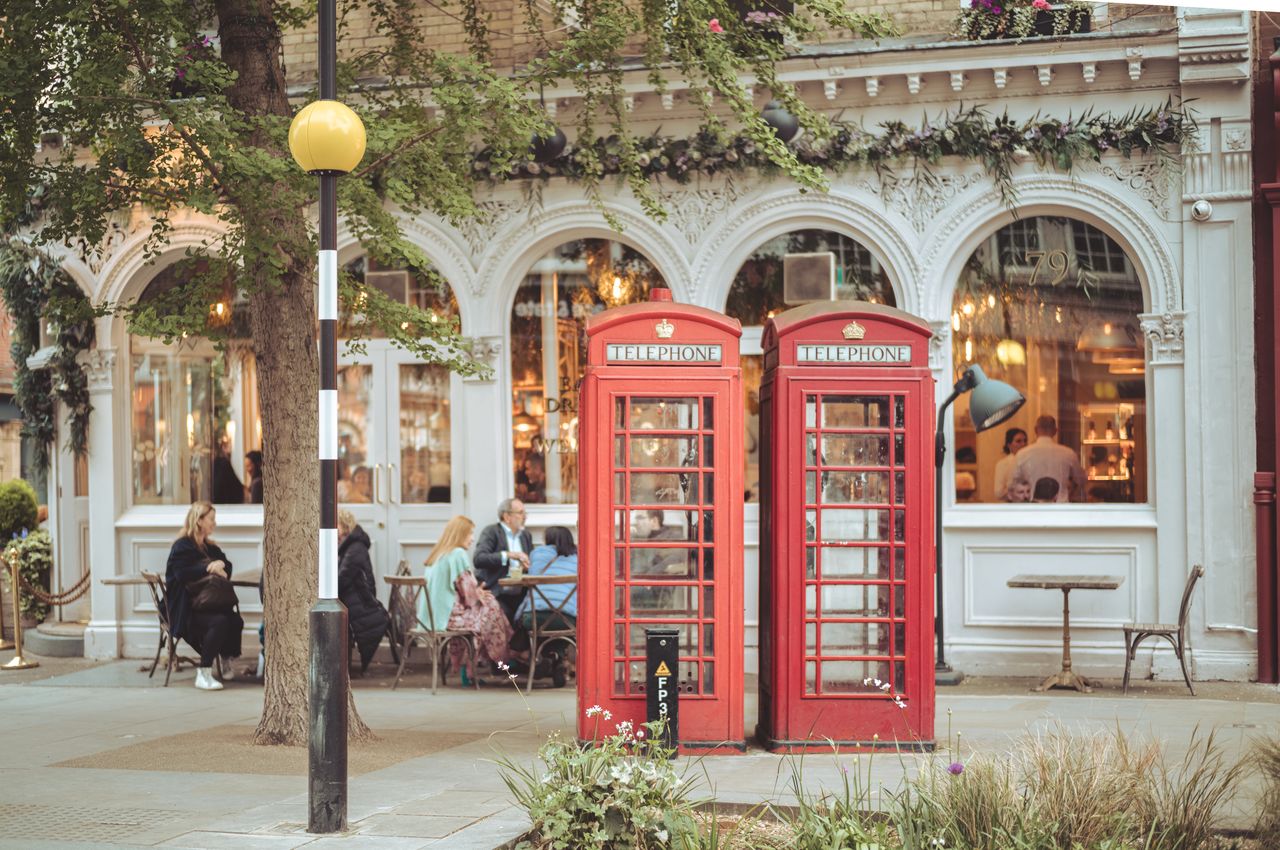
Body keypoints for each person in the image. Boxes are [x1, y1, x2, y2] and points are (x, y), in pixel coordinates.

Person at [165, 501, 244, 691]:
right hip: (185, 608)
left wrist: (221, 565)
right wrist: (208, 567)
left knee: (235, 621)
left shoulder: (210, 547)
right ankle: (204, 672)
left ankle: (225, 657)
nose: (214, 523)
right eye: (211, 519)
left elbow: (228, 565)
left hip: (206, 604)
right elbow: (181, 574)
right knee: (219, 622)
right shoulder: (182, 546)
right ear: (199, 521)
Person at [422, 515, 512, 678]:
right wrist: (479, 593)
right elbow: (470, 595)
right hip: (448, 617)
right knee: (490, 606)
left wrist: (477, 592)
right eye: (470, 534)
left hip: (431, 617)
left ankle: (475, 665)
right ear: (460, 534)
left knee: (487, 608)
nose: (472, 539)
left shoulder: (438, 554)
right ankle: (504, 656)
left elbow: (458, 589)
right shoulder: (457, 553)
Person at [511, 526, 578, 687]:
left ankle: (544, 658)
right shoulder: (578, 558)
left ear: (548, 539)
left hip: (535, 617)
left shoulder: (537, 554)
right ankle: (557, 657)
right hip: (567, 618)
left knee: (536, 625)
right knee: (565, 625)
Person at [337, 509, 389, 673]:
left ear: (343, 526)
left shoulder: (355, 548)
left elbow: (341, 580)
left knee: (332, 616)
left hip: (362, 603)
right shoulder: (348, 546)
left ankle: (338, 665)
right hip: (356, 599)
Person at [473, 498, 532, 623]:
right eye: (521, 513)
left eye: (525, 513)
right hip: (497, 593)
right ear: (507, 516)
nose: (525, 517)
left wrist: (527, 566)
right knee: (503, 621)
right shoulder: (492, 531)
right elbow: (479, 559)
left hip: (522, 594)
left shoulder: (525, 535)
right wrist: (509, 555)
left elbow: (531, 563)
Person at [1014, 415, 1087, 503]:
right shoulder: (1068, 453)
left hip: (1034, 507)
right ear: (1055, 431)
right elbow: (1081, 480)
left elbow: (1013, 483)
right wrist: (1071, 491)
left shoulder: (1022, 454)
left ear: (1036, 430)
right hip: (1061, 506)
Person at [992, 427, 1028, 502]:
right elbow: (998, 492)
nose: (1023, 444)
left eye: (1025, 441)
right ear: (1009, 445)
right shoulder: (1003, 464)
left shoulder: (1031, 462)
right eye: (1018, 441)